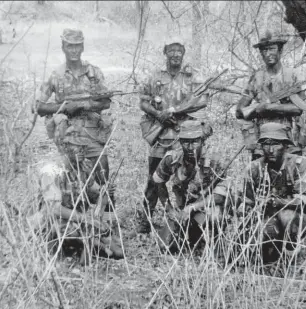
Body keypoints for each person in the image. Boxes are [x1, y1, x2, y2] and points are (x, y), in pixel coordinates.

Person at [137, 37, 213, 233]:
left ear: (184, 53)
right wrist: (159, 115)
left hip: (185, 135)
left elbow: (203, 100)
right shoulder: (155, 77)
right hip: (161, 134)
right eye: (171, 50)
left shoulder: (192, 77)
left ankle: (185, 217)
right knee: (154, 175)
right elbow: (143, 102)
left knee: (187, 176)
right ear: (165, 52)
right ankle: (145, 219)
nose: (175, 54)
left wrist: (176, 111)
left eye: (179, 50)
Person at [216, 122, 306, 264]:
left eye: (276, 144)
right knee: (248, 249)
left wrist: (277, 202)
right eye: (266, 144)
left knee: (287, 216)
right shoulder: (254, 167)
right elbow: (248, 200)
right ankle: (269, 251)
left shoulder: (299, 164)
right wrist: (242, 213)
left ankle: (291, 254)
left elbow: (302, 201)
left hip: (297, 218)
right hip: (267, 217)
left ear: (285, 145)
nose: (270, 150)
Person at [35, 28, 113, 206]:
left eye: (77, 46)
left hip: (93, 132)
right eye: (70, 46)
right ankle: (74, 214)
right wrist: (64, 107)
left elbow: (106, 101)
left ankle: (108, 219)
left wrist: (84, 105)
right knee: (70, 177)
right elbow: (39, 106)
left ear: (83, 47)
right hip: (67, 135)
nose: (74, 50)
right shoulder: (56, 75)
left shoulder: (94, 72)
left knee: (103, 173)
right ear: (63, 47)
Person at [28, 133, 124, 266]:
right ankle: (85, 247)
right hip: (54, 219)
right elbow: (54, 209)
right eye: (77, 148)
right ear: (64, 148)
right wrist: (85, 219)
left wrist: (104, 190)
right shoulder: (51, 172)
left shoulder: (82, 165)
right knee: (92, 237)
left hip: (78, 217)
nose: (82, 152)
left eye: (84, 148)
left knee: (117, 252)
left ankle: (93, 245)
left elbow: (94, 188)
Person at [148, 120, 228, 253]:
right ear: (180, 142)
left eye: (195, 142)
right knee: (165, 246)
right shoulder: (172, 157)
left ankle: (210, 241)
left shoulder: (215, 159)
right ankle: (189, 235)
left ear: (202, 141)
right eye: (186, 142)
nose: (190, 147)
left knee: (215, 218)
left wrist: (193, 207)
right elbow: (158, 181)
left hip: (205, 207)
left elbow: (220, 196)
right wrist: (169, 209)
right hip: (182, 208)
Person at [235, 30, 306, 159]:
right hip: (262, 139)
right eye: (264, 50)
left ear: (280, 50)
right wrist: (257, 109)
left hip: (289, 137)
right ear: (261, 53)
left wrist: (270, 107)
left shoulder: (292, 75)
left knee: (290, 173)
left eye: (272, 49)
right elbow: (239, 111)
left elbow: (300, 108)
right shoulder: (257, 77)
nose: (268, 54)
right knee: (260, 175)